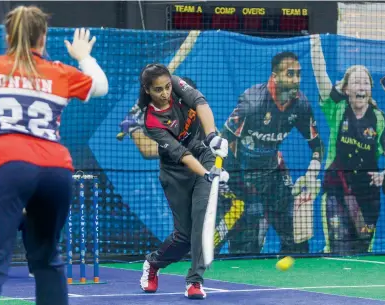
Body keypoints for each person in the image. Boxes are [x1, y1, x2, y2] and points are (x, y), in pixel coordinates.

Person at [0, 6, 108, 305]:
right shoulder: (59, 72)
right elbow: (100, 86)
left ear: (9, 36)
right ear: (44, 37)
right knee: (47, 259)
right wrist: (84, 57)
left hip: (5, 165)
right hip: (55, 169)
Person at [137, 64, 229, 299]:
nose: (165, 93)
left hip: (203, 153)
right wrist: (207, 175)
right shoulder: (151, 121)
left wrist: (212, 138)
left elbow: (201, 103)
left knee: (201, 217)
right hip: (175, 171)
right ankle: (154, 263)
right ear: (148, 90)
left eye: (167, 87)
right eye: (158, 89)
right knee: (184, 236)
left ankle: (194, 281)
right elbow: (182, 154)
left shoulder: (177, 84)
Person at [221, 51, 324, 254]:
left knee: (296, 237)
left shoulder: (301, 105)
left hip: (274, 173)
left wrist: (312, 174)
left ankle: (296, 283)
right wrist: (222, 176)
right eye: (290, 74)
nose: (296, 80)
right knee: (246, 244)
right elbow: (224, 141)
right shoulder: (252, 103)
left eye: (299, 74)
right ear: (275, 76)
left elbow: (317, 145)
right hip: (242, 175)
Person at [311, 35, 385, 254]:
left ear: (370, 89)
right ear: (346, 89)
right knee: (339, 246)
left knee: (363, 249)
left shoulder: (379, 118)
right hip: (337, 188)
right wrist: (314, 44)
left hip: (367, 194)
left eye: (365, 82)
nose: (361, 86)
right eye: (356, 81)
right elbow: (320, 75)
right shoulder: (336, 109)